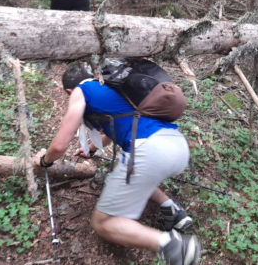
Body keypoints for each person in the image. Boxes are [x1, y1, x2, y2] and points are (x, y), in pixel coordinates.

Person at [35, 64, 202, 265]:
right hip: (176, 145)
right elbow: (120, 122)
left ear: (69, 90)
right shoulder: (111, 85)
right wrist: (92, 148)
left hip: (149, 151)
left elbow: (60, 145)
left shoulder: (81, 91)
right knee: (121, 168)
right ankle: (170, 207)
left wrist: (44, 160)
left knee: (103, 223)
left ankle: (174, 246)